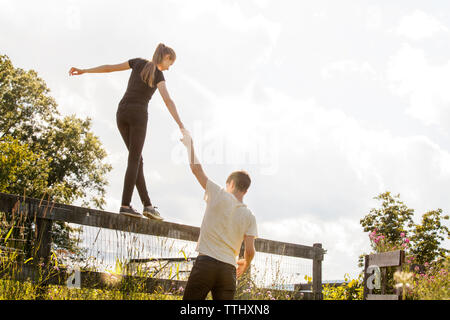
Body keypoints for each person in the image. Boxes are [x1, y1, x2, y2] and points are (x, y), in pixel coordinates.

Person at [69, 43, 184, 220]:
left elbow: (109, 69)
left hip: (121, 113)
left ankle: (147, 205)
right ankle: (125, 205)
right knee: (135, 159)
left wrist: (84, 70)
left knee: (137, 160)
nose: (169, 68)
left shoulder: (138, 62)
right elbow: (168, 100)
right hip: (138, 115)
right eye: (171, 63)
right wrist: (180, 125)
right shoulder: (159, 75)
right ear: (166, 57)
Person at [179, 129, 258, 300]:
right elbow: (250, 251)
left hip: (205, 263)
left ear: (231, 183)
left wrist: (189, 145)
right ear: (246, 189)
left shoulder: (218, 193)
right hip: (228, 270)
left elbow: (196, 169)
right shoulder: (250, 216)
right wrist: (245, 265)